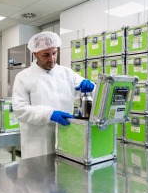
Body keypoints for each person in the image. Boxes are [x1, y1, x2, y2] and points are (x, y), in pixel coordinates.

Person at [12, 31, 95, 159]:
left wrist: (90, 85)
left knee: (64, 174)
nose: (52, 59)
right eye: (46, 55)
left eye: (54, 53)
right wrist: (49, 114)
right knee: (37, 177)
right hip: (38, 144)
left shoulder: (66, 73)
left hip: (66, 138)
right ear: (35, 54)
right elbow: (19, 109)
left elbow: (92, 92)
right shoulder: (23, 77)